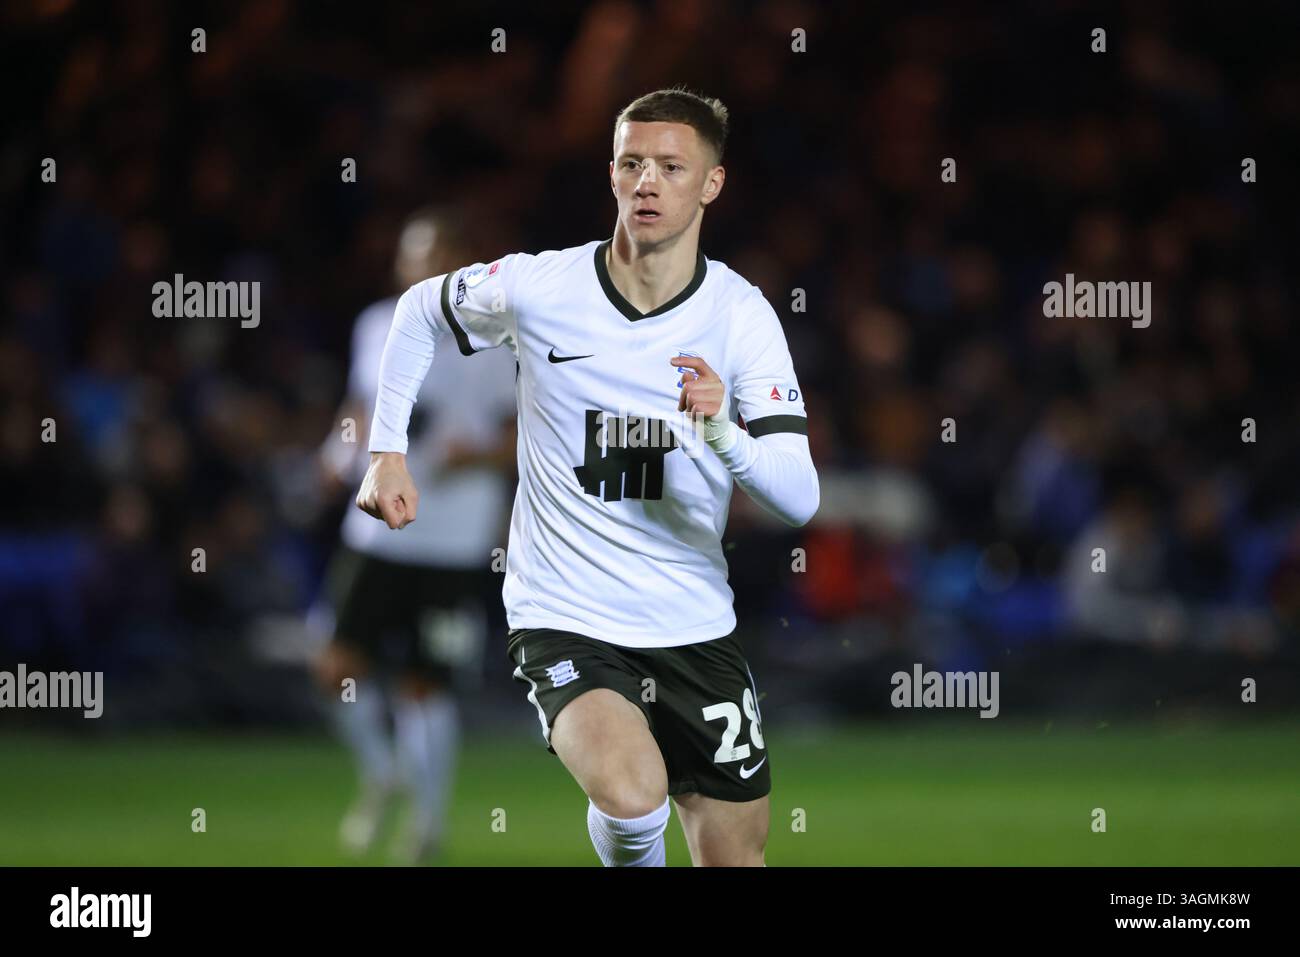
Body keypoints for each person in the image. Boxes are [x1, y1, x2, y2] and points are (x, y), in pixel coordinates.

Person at [357, 88, 819, 866]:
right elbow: (418, 309)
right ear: (611, 173)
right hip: (566, 613)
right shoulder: (541, 290)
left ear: (711, 184)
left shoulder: (742, 316)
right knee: (632, 793)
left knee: (735, 858)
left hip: (693, 623)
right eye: (633, 163)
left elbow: (799, 495)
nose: (648, 182)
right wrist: (386, 449)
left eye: (672, 167)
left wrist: (721, 432)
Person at [317, 208, 517, 863]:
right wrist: (336, 451)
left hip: (454, 536)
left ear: (463, 261)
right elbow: (360, 408)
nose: (423, 265)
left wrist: (478, 457)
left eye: (438, 253)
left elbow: (531, 437)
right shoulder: (377, 323)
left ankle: (427, 824)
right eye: (415, 254)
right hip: (377, 528)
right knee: (336, 666)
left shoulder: (498, 337)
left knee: (424, 684)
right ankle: (384, 771)